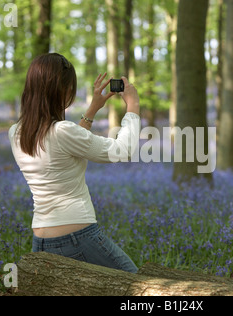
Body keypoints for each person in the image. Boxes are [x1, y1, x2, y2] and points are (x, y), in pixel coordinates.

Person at [9, 53, 140, 273]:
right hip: (77, 238)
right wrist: (133, 106)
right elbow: (122, 151)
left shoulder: (16, 132)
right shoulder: (62, 131)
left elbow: (64, 145)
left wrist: (92, 109)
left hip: (41, 241)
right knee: (134, 283)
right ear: (63, 91)